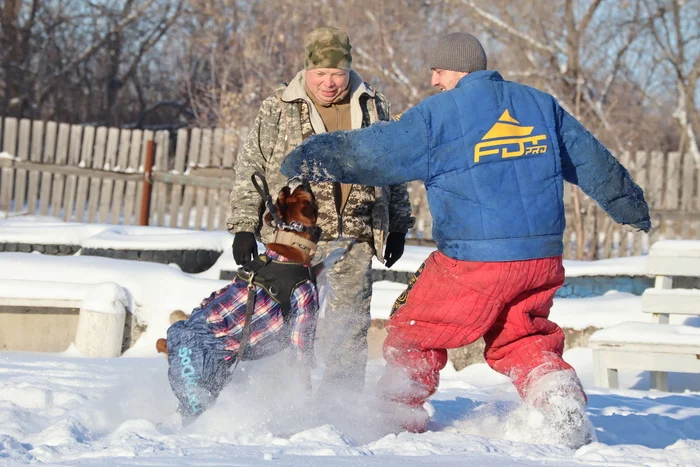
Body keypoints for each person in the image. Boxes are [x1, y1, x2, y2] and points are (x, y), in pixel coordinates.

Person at [280, 32, 651, 448]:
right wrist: (631, 208)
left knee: (416, 329)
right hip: (540, 258)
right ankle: (557, 398)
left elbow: (375, 152)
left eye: (437, 71)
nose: (434, 81)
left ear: (456, 69)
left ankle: (392, 413)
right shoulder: (540, 104)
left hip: (474, 260)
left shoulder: (440, 115)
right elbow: (593, 161)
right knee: (521, 336)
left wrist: (310, 156)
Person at [227, 27, 415, 399]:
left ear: (349, 69)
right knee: (287, 320)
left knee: (349, 324)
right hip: (293, 235)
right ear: (306, 70)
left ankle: (339, 404)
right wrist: (244, 226)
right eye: (320, 75)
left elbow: (395, 169)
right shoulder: (279, 106)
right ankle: (282, 398)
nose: (329, 83)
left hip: (354, 235)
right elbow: (251, 165)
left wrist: (398, 225)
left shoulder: (374, 106)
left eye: (337, 74)